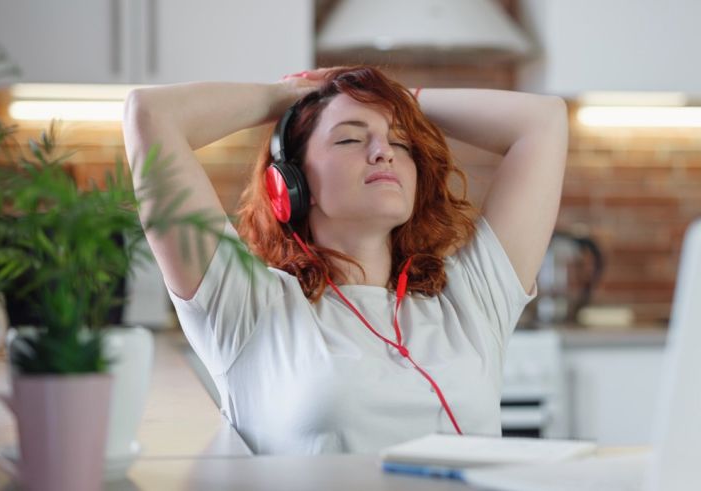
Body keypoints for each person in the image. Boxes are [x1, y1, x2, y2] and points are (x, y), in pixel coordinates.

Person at [122, 66, 568, 455]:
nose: (383, 151)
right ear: (291, 184)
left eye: (400, 141)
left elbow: (545, 121)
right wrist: (292, 94)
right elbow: (150, 114)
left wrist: (396, 97)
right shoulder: (245, 304)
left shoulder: (471, 296)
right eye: (351, 138)